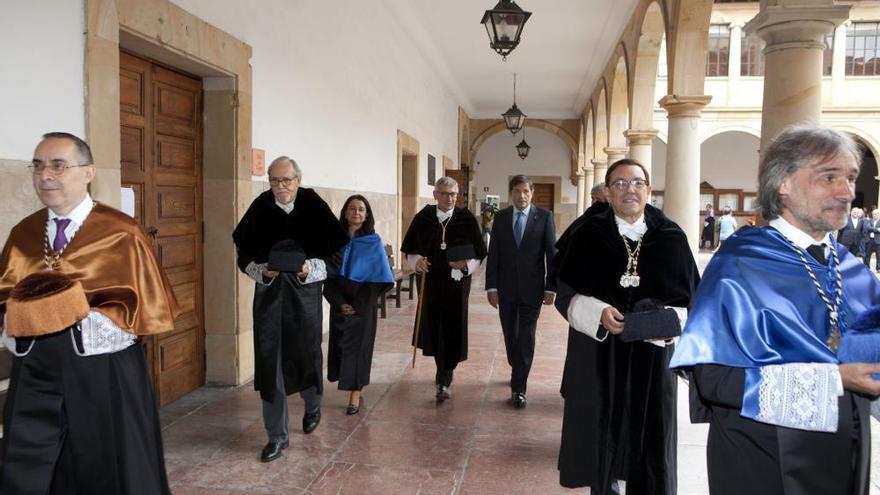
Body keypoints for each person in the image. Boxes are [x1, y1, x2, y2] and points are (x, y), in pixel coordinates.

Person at [671, 125, 880, 494]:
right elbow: (715, 379)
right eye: (828, 177)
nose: (846, 192)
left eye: (850, 177)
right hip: (765, 458)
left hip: (847, 456)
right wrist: (834, 380)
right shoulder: (740, 264)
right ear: (782, 183)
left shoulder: (850, 268)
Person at [0, 132, 181, 494]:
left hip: (102, 372)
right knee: (30, 464)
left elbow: (144, 308)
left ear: (88, 173)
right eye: (37, 166)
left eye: (58, 165)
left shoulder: (121, 232)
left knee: (110, 463)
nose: (45, 175)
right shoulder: (23, 233)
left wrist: (78, 318)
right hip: (35, 370)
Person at [552, 158, 699, 494]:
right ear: (607, 191)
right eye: (619, 183)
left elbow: (692, 299)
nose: (628, 190)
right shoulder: (587, 234)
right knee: (601, 441)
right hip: (597, 355)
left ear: (648, 190)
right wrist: (598, 311)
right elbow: (565, 292)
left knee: (648, 443)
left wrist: (668, 323)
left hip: (652, 360)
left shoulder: (672, 237)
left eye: (636, 183)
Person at [232, 156, 349, 462]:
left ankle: (312, 405)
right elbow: (243, 255)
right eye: (273, 180)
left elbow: (336, 257)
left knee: (307, 356)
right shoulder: (260, 207)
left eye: (285, 180)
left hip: (304, 297)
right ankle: (277, 436)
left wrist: (311, 269)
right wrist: (260, 270)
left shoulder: (314, 206)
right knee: (271, 364)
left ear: (298, 180)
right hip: (269, 298)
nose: (279, 187)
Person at [400, 176, 486, 401]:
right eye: (445, 194)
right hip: (430, 283)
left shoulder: (466, 218)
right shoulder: (423, 217)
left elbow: (479, 252)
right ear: (435, 195)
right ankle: (443, 373)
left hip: (456, 284)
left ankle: (446, 373)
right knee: (434, 324)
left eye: (454, 195)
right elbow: (410, 249)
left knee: (453, 325)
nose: (450, 198)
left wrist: (466, 266)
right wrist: (416, 261)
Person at [485, 175, 557, 408]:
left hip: (532, 290)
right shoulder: (501, 217)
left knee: (526, 336)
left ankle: (519, 388)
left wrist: (551, 286)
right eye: (517, 191)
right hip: (505, 289)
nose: (522, 196)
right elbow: (494, 253)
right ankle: (517, 364)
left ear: (532, 192)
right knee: (510, 334)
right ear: (510, 194)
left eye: (526, 191)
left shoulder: (544, 217)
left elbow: (551, 255)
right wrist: (491, 286)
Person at [323, 195, 393, 415]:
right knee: (342, 346)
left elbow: (379, 278)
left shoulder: (373, 241)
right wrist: (340, 302)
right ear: (345, 213)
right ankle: (348, 384)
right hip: (339, 301)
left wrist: (358, 304)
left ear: (367, 215)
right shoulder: (333, 240)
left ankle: (355, 393)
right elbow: (326, 273)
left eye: (361, 209)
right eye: (352, 209)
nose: (356, 212)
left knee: (359, 349)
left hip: (363, 305)